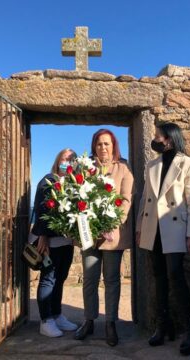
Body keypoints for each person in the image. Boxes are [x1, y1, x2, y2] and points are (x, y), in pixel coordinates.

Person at [136, 121, 190, 356]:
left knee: (176, 276)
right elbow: (145, 198)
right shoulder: (152, 164)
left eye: (158, 136)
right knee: (159, 278)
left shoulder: (188, 164)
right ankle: (163, 326)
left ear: (170, 139)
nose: (155, 139)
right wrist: (139, 227)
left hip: (175, 229)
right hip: (153, 229)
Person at [74, 129, 134, 347]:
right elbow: (76, 195)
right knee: (89, 279)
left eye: (107, 144)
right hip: (89, 235)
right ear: (94, 146)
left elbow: (126, 200)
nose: (103, 148)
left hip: (112, 234)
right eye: (99, 144)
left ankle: (110, 323)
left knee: (111, 280)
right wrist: (89, 225)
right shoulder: (85, 168)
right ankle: (89, 321)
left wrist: (110, 224)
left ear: (113, 146)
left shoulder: (124, 169)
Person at [31, 148, 79, 337]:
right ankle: (46, 320)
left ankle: (57, 315)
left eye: (70, 159)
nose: (67, 161)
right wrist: (43, 236)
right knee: (48, 279)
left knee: (60, 278)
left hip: (65, 241)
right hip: (49, 241)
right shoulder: (48, 180)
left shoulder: (73, 183)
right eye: (64, 158)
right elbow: (42, 209)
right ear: (58, 160)